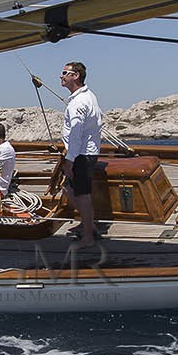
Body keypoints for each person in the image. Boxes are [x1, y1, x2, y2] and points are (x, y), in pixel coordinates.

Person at [59, 61, 103, 247]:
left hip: (81, 155)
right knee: (68, 189)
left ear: (75, 76)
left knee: (82, 195)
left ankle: (88, 237)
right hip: (86, 153)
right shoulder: (89, 96)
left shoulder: (78, 103)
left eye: (64, 73)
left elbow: (76, 135)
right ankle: (88, 225)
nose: (61, 76)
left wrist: (69, 160)